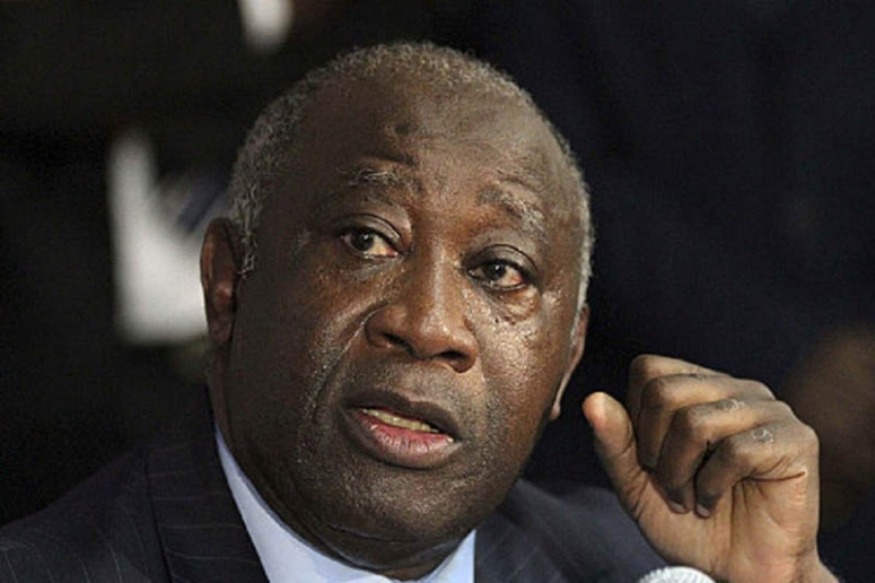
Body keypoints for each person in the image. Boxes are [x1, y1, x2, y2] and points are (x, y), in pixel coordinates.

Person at [0, 43, 836, 582]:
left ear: (566, 360)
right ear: (228, 283)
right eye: (368, 240)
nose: (430, 324)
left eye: (500, 270)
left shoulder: (640, 565)